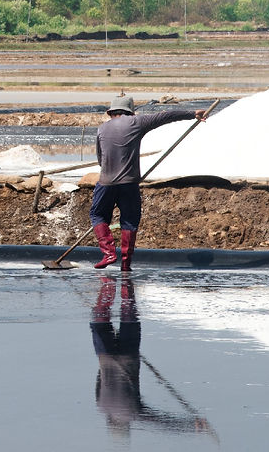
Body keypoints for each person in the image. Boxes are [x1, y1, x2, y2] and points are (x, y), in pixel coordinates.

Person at [92, 96, 208, 271]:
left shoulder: (102, 129)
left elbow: (101, 159)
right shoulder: (137, 122)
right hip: (130, 183)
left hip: (106, 182)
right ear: (131, 112)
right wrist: (193, 114)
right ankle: (125, 264)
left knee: (98, 215)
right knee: (129, 221)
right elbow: (165, 116)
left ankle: (108, 252)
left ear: (111, 113)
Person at [90, 276, 212, 439]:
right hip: (105, 356)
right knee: (100, 318)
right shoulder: (102, 407)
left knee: (129, 315)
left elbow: (161, 422)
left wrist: (191, 425)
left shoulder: (131, 414)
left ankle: (125, 284)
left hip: (128, 355)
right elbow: (99, 380)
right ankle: (108, 284)